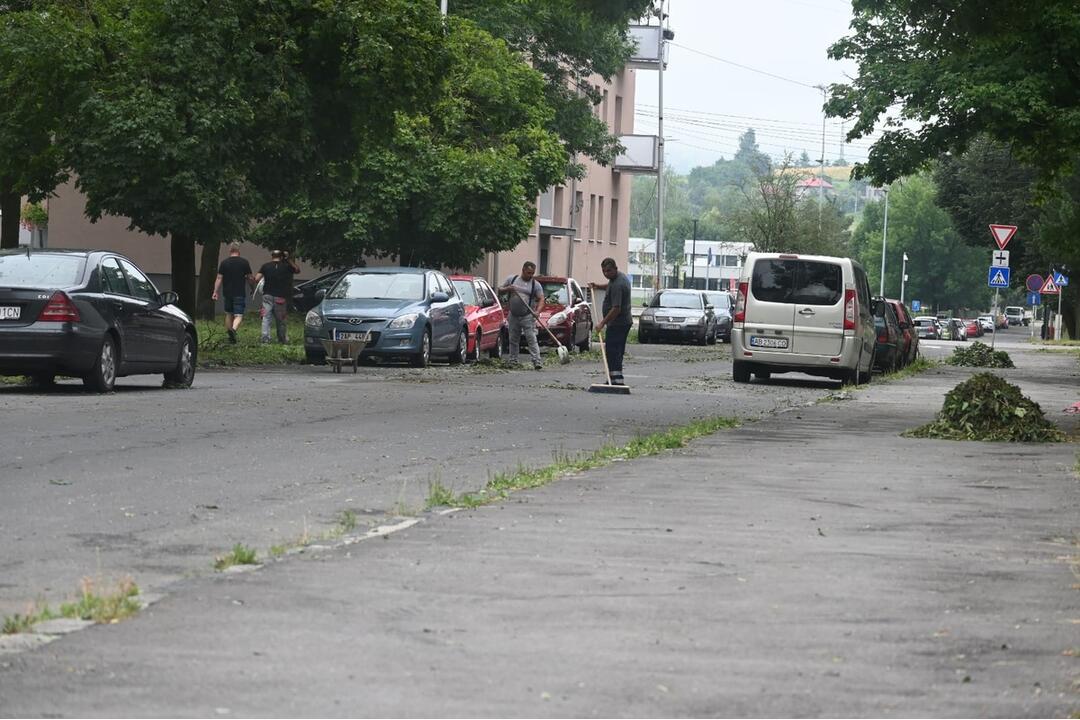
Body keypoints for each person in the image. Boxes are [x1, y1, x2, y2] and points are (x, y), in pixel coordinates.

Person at [589, 257, 632, 386]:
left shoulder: (619, 284)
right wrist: (597, 286)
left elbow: (616, 309)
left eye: (608, 271)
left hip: (619, 323)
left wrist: (602, 323)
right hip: (619, 323)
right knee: (614, 351)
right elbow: (609, 286)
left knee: (613, 352)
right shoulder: (617, 279)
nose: (606, 273)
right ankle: (613, 379)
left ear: (615, 269)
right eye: (604, 271)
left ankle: (616, 381)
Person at [498, 261, 546, 369]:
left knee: (531, 338)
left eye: (532, 273)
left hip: (527, 316)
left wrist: (537, 311)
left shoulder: (535, 285)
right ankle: (513, 360)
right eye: (528, 273)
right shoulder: (512, 279)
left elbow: (541, 299)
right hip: (513, 315)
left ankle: (537, 361)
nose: (531, 275)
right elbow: (500, 290)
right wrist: (508, 289)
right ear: (523, 270)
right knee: (513, 339)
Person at [211, 243, 254, 344]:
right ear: (239, 251)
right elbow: (250, 278)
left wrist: (215, 291)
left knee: (229, 313)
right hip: (239, 292)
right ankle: (233, 330)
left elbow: (219, 278)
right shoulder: (244, 262)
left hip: (227, 293)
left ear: (230, 250)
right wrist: (252, 288)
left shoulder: (224, 263)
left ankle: (230, 335)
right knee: (238, 315)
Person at [254, 249, 300, 344]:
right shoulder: (286, 267)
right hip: (280, 297)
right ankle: (282, 339)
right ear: (281, 257)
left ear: (272, 256)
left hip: (267, 295)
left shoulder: (265, 266)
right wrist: (289, 259)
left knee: (266, 318)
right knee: (281, 319)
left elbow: (257, 278)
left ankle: (265, 338)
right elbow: (297, 270)